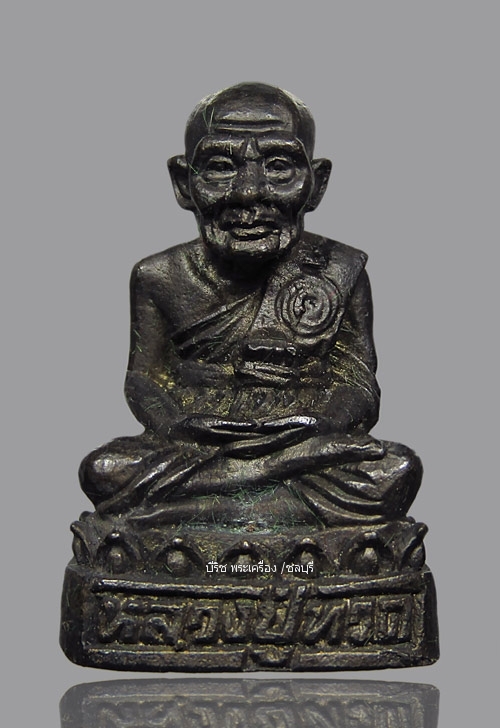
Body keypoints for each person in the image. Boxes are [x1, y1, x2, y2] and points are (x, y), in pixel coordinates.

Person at [79, 83, 422, 528]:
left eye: (279, 167)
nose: (248, 192)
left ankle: (192, 510)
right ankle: (268, 489)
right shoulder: (158, 276)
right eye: (221, 167)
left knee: (394, 470)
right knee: (105, 470)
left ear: (317, 183)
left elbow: (359, 381)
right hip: (203, 440)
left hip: (303, 438)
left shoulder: (338, 268)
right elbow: (143, 378)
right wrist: (180, 424)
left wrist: (318, 424)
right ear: (183, 182)